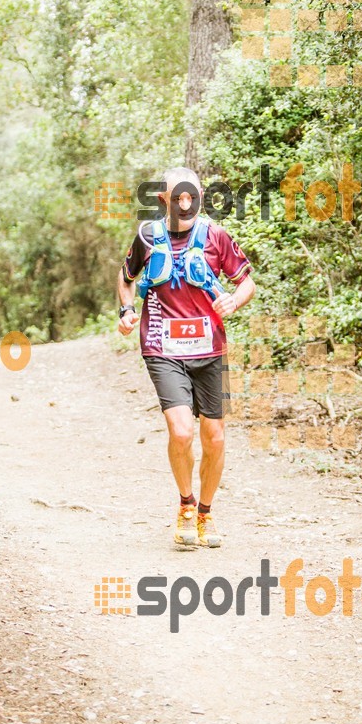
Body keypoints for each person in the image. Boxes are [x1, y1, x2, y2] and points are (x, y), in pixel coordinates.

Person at [117, 167, 255, 548]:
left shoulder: (215, 236)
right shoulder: (148, 235)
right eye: (177, 195)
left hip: (210, 349)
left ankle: (207, 514)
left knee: (214, 437)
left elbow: (247, 282)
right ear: (163, 198)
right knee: (181, 431)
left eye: (191, 194)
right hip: (162, 348)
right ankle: (186, 505)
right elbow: (126, 276)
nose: (184, 202)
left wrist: (234, 300)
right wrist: (126, 311)